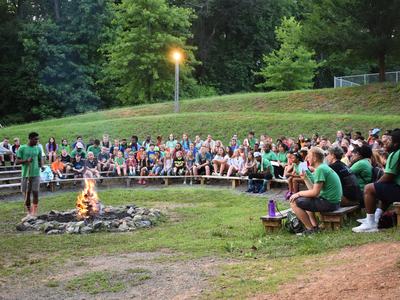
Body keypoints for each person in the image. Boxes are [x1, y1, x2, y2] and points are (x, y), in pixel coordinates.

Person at [352, 129, 400, 233]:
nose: (385, 142)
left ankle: (371, 223)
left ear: (396, 143)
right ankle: (376, 217)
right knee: (385, 188)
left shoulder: (396, 153)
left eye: (389, 140)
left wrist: (375, 186)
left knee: (369, 188)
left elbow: (388, 176)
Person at [289, 147, 342, 235]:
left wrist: (298, 193)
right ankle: (314, 226)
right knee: (306, 198)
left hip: (330, 203)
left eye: (308, 156)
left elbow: (315, 193)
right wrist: (305, 178)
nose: (307, 158)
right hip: (334, 202)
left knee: (293, 201)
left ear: (314, 157)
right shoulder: (323, 167)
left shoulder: (320, 169)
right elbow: (313, 191)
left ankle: (310, 230)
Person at [16, 132, 44, 218]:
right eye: (35, 139)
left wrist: (41, 165)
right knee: (27, 193)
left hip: (36, 174)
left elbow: (40, 159)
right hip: (26, 174)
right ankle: (29, 211)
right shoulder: (22, 148)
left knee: (35, 192)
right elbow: (17, 161)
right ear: (30, 139)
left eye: (37, 139)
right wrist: (26, 161)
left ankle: (34, 212)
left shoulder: (38, 148)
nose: (37, 140)